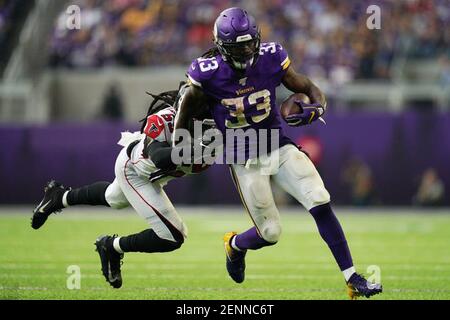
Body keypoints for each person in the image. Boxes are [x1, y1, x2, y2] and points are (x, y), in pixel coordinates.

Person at [174, 7, 382, 299]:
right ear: (222, 47)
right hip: (243, 157)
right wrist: (180, 144)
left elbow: (308, 86)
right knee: (270, 233)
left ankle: (352, 278)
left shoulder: (271, 57)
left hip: (277, 143)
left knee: (319, 198)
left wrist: (318, 106)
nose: (246, 51)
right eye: (238, 46)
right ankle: (234, 245)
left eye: (249, 43)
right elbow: (185, 105)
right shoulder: (206, 73)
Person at [31, 84, 211, 289]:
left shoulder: (217, 129)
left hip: (155, 174)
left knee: (113, 198)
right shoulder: (164, 120)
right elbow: (160, 157)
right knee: (173, 236)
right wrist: (193, 150)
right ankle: (112, 246)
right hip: (135, 169)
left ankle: (60, 196)